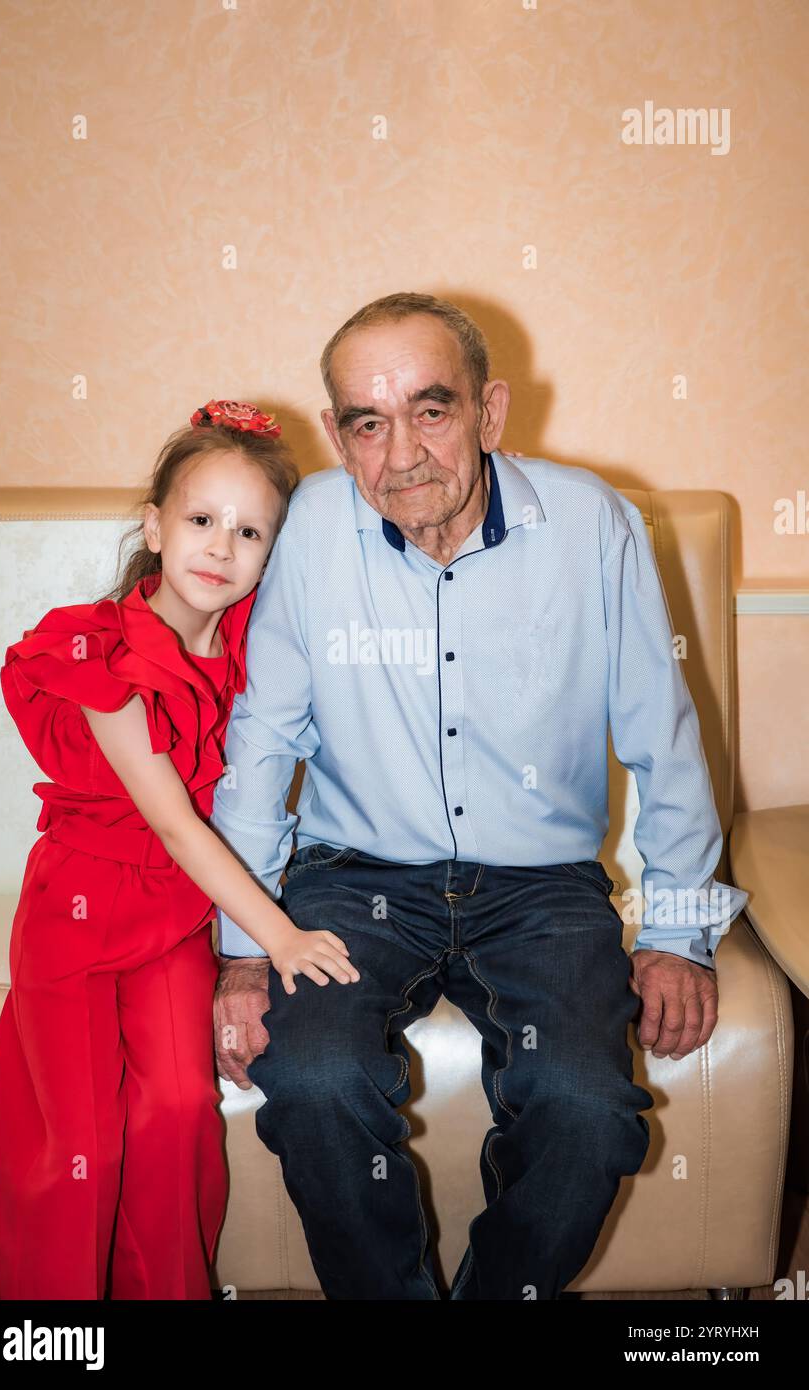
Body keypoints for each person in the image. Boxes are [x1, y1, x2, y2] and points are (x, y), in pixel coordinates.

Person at [210, 295, 750, 1301]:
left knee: (588, 1107)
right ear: (336, 436)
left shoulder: (592, 522)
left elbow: (662, 734)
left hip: (539, 888)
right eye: (367, 422)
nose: (402, 452)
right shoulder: (314, 527)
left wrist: (677, 932)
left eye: (431, 409)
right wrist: (243, 950)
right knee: (316, 1080)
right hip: (353, 879)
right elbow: (260, 742)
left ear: (489, 412)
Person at [0, 399, 359, 1301]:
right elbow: (176, 822)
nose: (221, 548)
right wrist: (280, 936)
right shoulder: (101, 654)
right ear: (153, 524)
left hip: (174, 918)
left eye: (249, 532)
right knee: (82, 1143)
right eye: (200, 520)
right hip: (81, 913)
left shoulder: (247, 652)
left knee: (180, 1112)